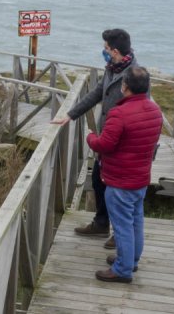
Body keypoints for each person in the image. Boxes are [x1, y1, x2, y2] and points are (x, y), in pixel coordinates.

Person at [51, 29, 138, 249]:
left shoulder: (135, 74)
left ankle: (121, 236)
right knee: (99, 179)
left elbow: (141, 109)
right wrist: (70, 115)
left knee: (118, 191)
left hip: (124, 141)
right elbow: (97, 92)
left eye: (106, 48)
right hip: (109, 135)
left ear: (115, 50)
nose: (103, 51)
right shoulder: (112, 67)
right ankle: (101, 223)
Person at [86, 66, 163, 282]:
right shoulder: (155, 111)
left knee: (121, 227)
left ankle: (122, 269)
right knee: (135, 221)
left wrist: (90, 137)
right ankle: (132, 260)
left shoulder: (119, 113)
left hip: (120, 180)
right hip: (140, 178)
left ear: (124, 86)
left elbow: (104, 145)